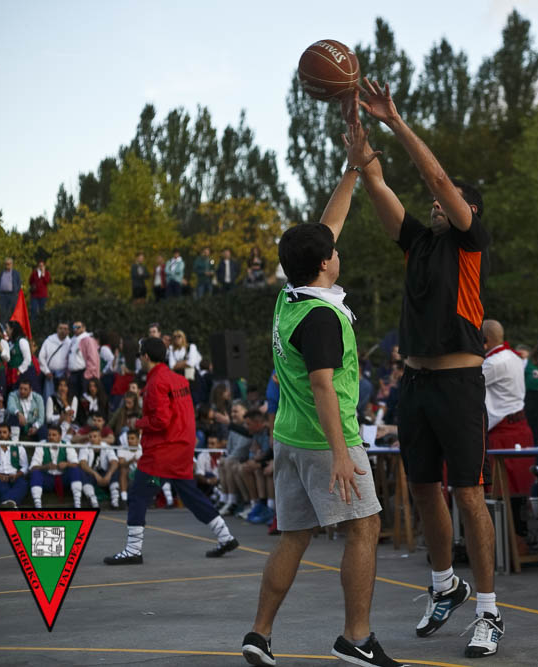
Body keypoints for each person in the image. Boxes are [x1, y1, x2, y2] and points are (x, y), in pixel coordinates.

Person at [242, 116, 406, 667]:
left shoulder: (290, 296)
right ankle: (355, 637)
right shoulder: (322, 318)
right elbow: (322, 385)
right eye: (330, 249)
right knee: (365, 526)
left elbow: (327, 224)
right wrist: (341, 452)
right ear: (323, 263)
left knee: (293, 536)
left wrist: (353, 169)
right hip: (322, 440)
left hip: (288, 438)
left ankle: (259, 634)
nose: (337, 248)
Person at [357, 78, 503, 656]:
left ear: (470, 209)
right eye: (437, 202)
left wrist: (394, 121)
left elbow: (438, 179)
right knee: (421, 488)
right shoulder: (417, 243)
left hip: (459, 382)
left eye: (448, 200)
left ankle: (489, 613)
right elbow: (377, 184)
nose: (436, 202)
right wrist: (358, 143)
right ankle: (444, 586)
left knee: (468, 494)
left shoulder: (471, 242)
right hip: (414, 383)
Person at [104, 336, 238, 565]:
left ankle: (133, 550)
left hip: (162, 453)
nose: (139, 358)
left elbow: (161, 420)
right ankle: (225, 536)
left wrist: (138, 422)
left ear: (146, 356)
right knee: (190, 495)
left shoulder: (156, 383)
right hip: (182, 449)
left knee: (138, 494)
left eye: (140, 354)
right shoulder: (179, 380)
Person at [481, 319, 534, 499]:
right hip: (518, 424)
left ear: (485, 340)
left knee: (501, 489)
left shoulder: (492, 363)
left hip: (502, 430)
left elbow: (466, 384)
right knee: (520, 484)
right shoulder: (514, 357)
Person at [28, 423, 82, 508]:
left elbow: (76, 463)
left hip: (63, 478)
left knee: (75, 470)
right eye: (49, 435)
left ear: (60, 436)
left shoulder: (66, 444)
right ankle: (37, 504)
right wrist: (45, 466)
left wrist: (67, 464)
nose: (51, 437)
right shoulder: (41, 445)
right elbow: (33, 467)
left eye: (54, 435)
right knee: (36, 473)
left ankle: (77, 502)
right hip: (47, 479)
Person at [0, 424, 29, 507]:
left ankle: (6, 504)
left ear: (9, 434)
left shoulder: (18, 447)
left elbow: (25, 467)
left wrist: (17, 475)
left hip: (15, 476)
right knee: (0, 488)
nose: (2, 435)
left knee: (22, 485)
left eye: (4, 432)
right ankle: (12, 505)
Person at [67, 321, 99, 400]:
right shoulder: (72, 340)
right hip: (73, 374)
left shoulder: (88, 339)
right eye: (74, 327)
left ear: (84, 328)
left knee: (84, 398)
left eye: (78, 327)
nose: (76, 329)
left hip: (83, 374)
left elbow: (93, 358)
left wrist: (87, 375)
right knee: (74, 398)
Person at [38, 322, 71, 398]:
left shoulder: (70, 343)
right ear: (57, 329)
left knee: (62, 396)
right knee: (49, 396)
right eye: (60, 328)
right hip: (50, 374)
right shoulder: (49, 341)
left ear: (68, 331)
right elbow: (41, 357)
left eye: (65, 329)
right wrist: (46, 371)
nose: (63, 331)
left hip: (63, 374)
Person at [0, 257, 21, 324]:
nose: (7, 265)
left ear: (12, 264)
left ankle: (13, 326)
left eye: (9, 264)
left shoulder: (15, 273)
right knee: (3, 312)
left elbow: (19, 283)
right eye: (6, 264)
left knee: (13, 312)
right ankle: (3, 326)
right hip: (3, 295)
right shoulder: (1, 273)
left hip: (12, 295)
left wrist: (16, 292)